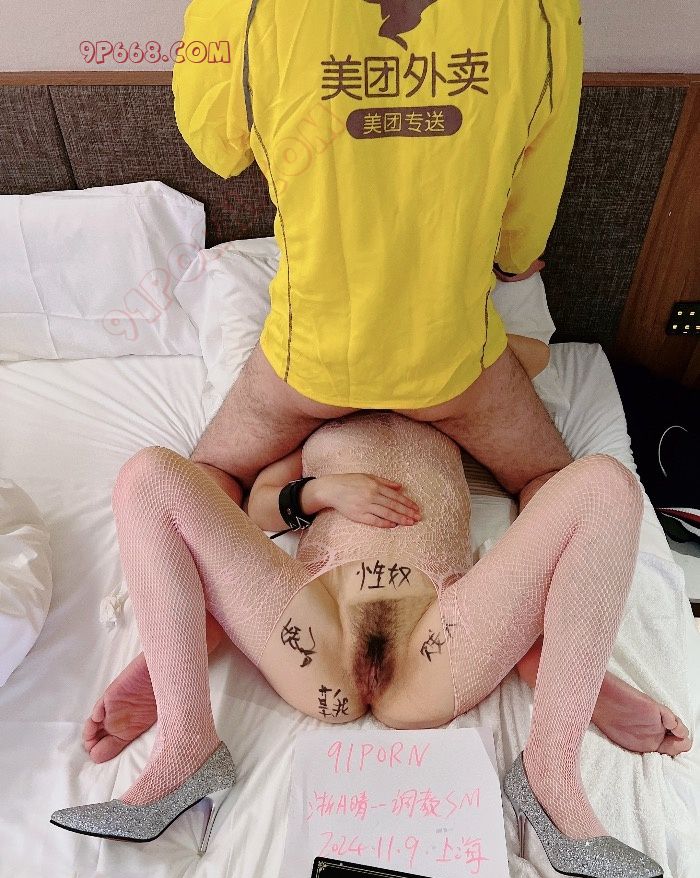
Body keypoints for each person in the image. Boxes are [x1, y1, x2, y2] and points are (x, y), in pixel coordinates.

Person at [50, 406, 690, 878]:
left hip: (436, 640)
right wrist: (322, 490)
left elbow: (529, 368)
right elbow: (255, 511)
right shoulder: (309, 416)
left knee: (606, 483)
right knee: (148, 475)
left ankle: (551, 765)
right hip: (319, 628)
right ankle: (186, 740)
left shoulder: (458, 398)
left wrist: (454, 353)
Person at [167, 0, 584, 518]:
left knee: (207, 478)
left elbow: (214, 142)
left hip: (313, 360)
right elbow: (540, 172)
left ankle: (222, 570)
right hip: (446, 360)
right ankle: (517, 573)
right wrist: (513, 258)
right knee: (558, 484)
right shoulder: (541, 9)